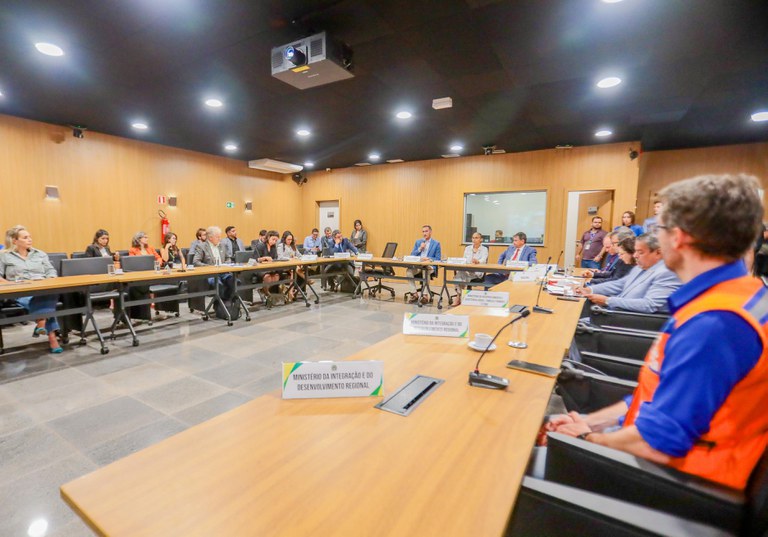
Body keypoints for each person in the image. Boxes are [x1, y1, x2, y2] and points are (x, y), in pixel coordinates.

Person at [544, 174, 768, 491]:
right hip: (666, 455)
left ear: (678, 237)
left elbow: (660, 442)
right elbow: (658, 402)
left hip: (680, 485)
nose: (655, 240)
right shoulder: (741, 296)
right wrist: (591, 422)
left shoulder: (715, 323)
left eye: (659, 229)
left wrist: (585, 438)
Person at [576, 233, 680, 313]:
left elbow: (649, 305)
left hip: (629, 321)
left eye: (640, 252)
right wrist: (589, 289)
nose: (635, 256)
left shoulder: (667, 273)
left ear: (658, 252)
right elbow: (619, 284)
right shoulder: (640, 267)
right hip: (615, 311)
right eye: (635, 251)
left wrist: (608, 300)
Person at [0, 226, 62, 353]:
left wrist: (49, 280)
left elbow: (51, 271)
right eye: (25, 237)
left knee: (50, 293)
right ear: (15, 241)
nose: (30, 239)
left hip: (43, 288)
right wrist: (9, 284)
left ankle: (41, 323)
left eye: (30, 237)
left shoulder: (40, 254)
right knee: (46, 300)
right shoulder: (4, 256)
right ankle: (51, 335)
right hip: (20, 291)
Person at [192, 226, 235, 300]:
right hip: (210, 274)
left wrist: (226, 264)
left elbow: (228, 258)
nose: (220, 239)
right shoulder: (201, 246)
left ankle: (228, 303)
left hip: (224, 272)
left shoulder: (222, 245)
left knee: (234, 282)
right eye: (217, 237)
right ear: (210, 238)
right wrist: (210, 267)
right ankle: (220, 305)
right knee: (219, 285)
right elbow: (196, 262)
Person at [406, 225, 442, 304]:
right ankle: (414, 294)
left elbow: (438, 258)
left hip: (429, 266)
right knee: (409, 271)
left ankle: (425, 295)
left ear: (430, 232)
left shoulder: (436, 243)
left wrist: (428, 258)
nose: (424, 233)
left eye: (426, 231)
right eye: (423, 231)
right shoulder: (418, 242)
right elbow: (412, 255)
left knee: (425, 271)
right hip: (418, 266)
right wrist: (420, 249)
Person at [452, 232, 489, 306]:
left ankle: (458, 296)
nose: (474, 240)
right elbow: (464, 260)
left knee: (459, 276)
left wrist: (478, 261)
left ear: (481, 239)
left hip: (477, 272)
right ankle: (460, 295)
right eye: (473, 238)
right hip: (467, 271)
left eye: (476, 238)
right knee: (460, 274)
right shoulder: (468, 248)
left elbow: (484, 260)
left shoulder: (484, 249)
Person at [253, 230, 281, 297]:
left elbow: (275, 258)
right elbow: (255, 259)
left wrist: (273, 260)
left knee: (276, 276)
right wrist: (264, 258)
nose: (274, 241)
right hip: (260, 268)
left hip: (270, 267)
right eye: (273, 239)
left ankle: (264, 289)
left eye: (276, 240)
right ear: (268, 237)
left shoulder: (273, 247)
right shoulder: (260, 245)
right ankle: (267, 293)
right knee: (267, 277)